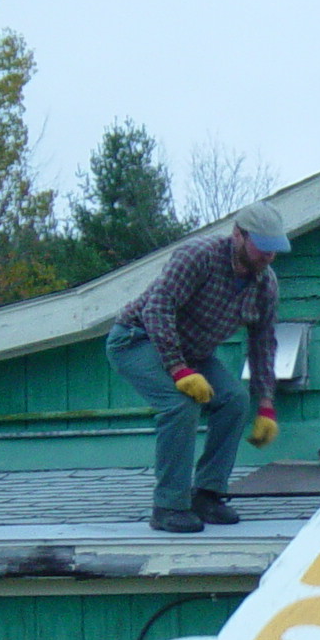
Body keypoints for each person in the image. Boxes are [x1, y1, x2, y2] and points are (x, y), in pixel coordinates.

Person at [107, 200, 287, 533]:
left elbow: (263, 343)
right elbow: (157, 309)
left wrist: (266, 404)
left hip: (193, 352)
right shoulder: (198, 256)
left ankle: (207, 494)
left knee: (234, 400)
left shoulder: (266, 284)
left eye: (274, 250)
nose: (268, 256)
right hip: (137, 338)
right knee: (180, 405)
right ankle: (168, 506)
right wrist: (178, 370)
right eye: (262, 248)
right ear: (238, 235)